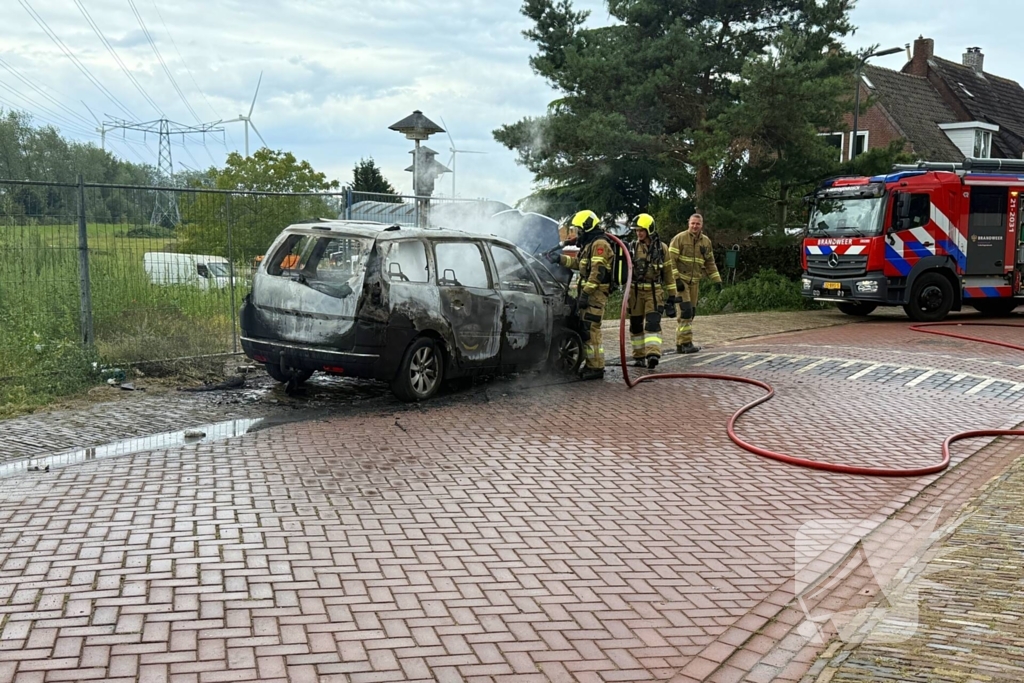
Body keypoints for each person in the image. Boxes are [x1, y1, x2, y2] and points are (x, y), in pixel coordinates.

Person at [550, 209, 613, 380]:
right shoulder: (590, 244)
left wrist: (585, 294)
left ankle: (596, 367)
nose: (578, 233)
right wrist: (560, 259)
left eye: (580, 230)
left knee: (591, 330)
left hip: (595, 296)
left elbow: (597, 274)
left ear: (587, 228)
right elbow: (580, 264)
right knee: (586, 329)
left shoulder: (600, 245)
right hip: (589, 294)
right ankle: (593, 364)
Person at [626, 213, 679, 369]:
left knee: (653, 324)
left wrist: (672, 297)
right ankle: (639, 356)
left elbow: (668, 274)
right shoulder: (632, 247)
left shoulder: (662, 249)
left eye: (641, 230)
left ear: (649, 229)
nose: (638, 233)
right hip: (635, 293)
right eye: (636, 231)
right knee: (635, 325)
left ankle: (653, 354)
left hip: (654, 293)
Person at [668, 213, 722, 354]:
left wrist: (717, 280)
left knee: (691, 313)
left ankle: (680, 344)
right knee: (685, 311)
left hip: (695, 283)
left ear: (701, 225)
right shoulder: (679, 238)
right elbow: (670, 260)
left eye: (697, 224)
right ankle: (687, 343)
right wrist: (676, 279)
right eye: (692, 223)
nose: (694, 226)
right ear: (688, 223)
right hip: (681, 281)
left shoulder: (706, 242)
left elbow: (710, 262)